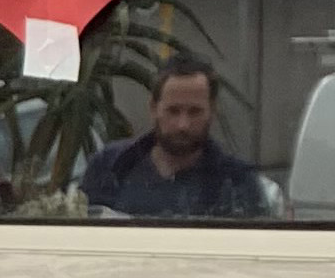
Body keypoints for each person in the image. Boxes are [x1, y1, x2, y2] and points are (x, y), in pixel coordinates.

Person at [79, 55, 275, 220]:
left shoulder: (238, 183)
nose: (183, 125)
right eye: (173, 111)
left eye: (195, 112)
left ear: (212, 112)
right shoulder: (109, 167)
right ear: (154, 108)